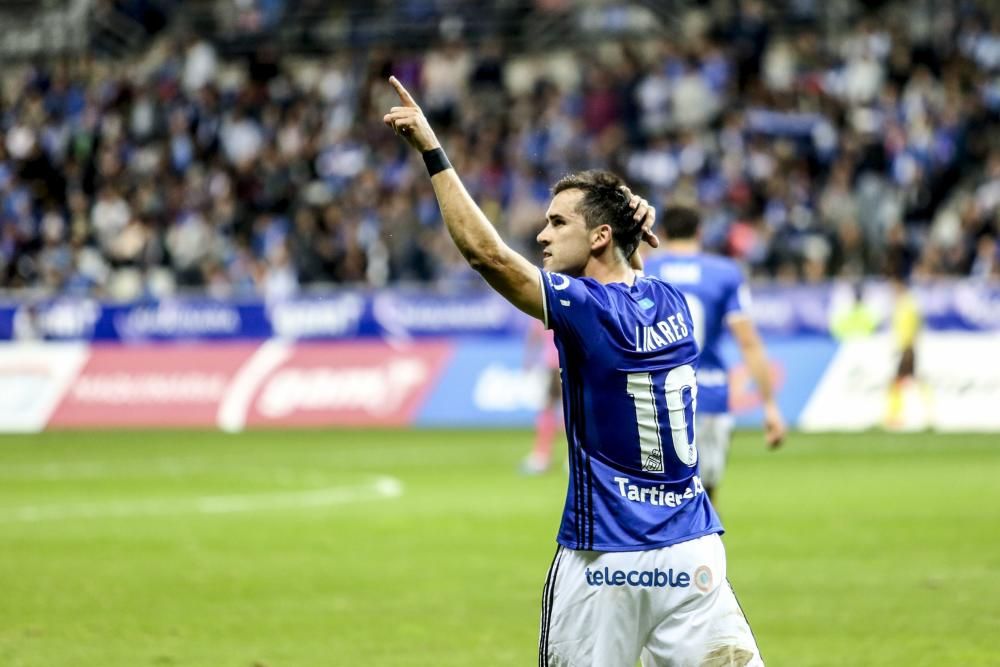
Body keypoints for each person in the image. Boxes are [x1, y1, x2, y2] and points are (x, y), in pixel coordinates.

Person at [384, 76, 763, 666]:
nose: (542, 233)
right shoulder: (673, 306)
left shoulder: (588, 310)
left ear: (601, 235)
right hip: (692, 556)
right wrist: (630, 225)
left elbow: (487, 257)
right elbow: (627, 267)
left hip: (605, 562)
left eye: (558, 222)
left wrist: (434, 153)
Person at [642, 206, 785, 505]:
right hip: (708, 393)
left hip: (652, 396)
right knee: (705, 499)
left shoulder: (644, 270)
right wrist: (769, 405)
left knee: (655, 498)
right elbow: (749, 343)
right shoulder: (725, 273)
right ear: (700, 233)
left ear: (663, 234)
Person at [520, 317, 563, 475]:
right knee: (563, 408)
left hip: (555, 363)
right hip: (560, 363)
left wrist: (528, 359)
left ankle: (542, 457)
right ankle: (547, 456)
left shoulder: (544, 306)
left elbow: (534, 334)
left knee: (552, 408)